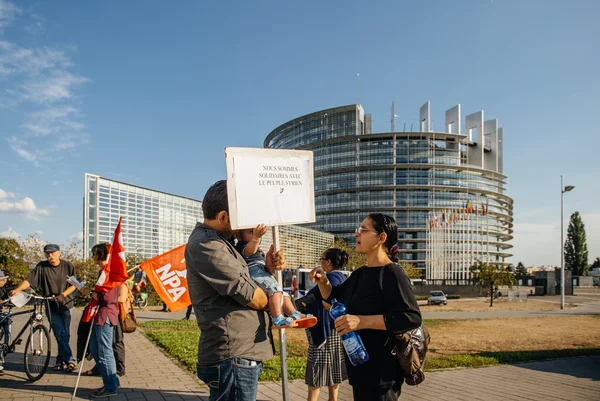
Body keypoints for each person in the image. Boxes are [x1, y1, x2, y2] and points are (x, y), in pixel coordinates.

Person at [185, 179, 287, 401]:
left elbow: (249, 274)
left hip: (239, 355)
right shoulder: (208, 245)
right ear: (223, 217)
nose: (244, 224)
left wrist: (266, 268)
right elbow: (256, 298)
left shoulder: (225, 242)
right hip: (232, 356)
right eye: (241, 217)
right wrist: (270, 291)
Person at [310, 213, 422, 401]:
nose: (356, 234)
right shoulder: (361, 274)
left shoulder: (392, 272)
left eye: (363, 230)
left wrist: (361, 321)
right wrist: (323, 281)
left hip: (382, 374)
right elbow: (333, 297)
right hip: (360, 369)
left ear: (381, 237)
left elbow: (410, 317)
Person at [10, 244, 78, 372]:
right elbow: (29, 281)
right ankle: (70, 361)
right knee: (60, 333)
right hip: (50, 305)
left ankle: (59, 361)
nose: (50, 255)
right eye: (47, 253)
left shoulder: (68, 266)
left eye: (52, 253)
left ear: (58, 253)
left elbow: (74, 285)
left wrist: (62, 295)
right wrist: (17, 289)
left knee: (65, 335)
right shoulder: (41, 266)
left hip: (66, 305)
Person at [80, 243, 128, 398]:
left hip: (106, 315)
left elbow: (108, 297)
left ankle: (111, 386)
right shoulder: (105, 271)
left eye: (95, 253)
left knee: (104, 352)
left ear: (101, 254)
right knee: (95, 349)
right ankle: (111, 381)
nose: (93, 256)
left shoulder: (110, 271)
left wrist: (89, 293)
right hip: (100, 315)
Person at [236, 224, 307, 327]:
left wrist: (269, 261)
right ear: (239, 236)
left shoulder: (259, 250)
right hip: (254, 272)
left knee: (283, 295)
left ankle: (294, 313)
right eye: (251, 232)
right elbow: (249, 251)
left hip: (262, 272)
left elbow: (269, 270)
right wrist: (256, 237)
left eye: (256, 231)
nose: (255, 234)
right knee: (275, 290)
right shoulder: (242, 245)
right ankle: (278, 318)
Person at [304, 248, 349, 401]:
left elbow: (330, 303)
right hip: (335, 330)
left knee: (317, 371)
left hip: (324, 331)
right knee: (334, 369)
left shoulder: (331, 277)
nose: (320, 261)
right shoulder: (341, 277)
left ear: (328, 261)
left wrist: (305, 304)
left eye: (322, 258)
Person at [0, 269, 11, 377]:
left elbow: (6, 299)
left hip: (2, 316)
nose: (3, 282)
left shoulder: (3, 290)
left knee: (7, 320)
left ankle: (7, 342)